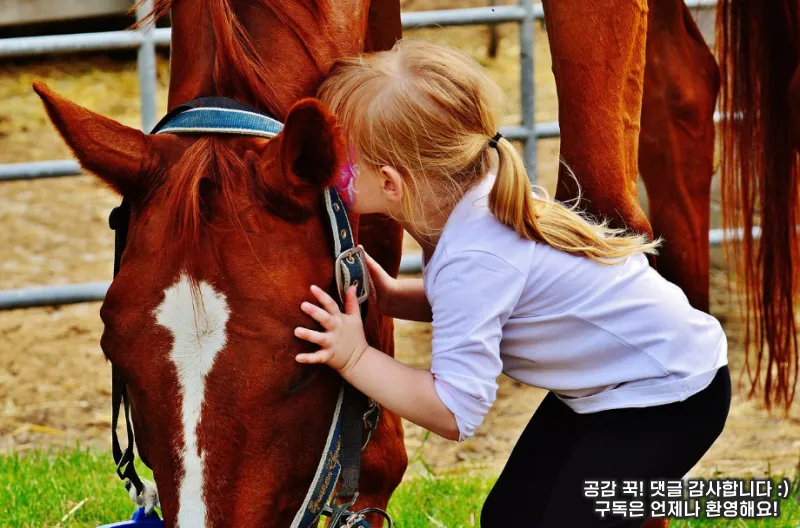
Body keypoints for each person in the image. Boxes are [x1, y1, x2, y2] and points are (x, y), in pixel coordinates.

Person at [293, 39, 731, 527]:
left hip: (670, 395)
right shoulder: (475, 202)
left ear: (392, 183)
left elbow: (454, 410)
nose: (326, 175)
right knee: (509, 517)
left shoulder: (475, 254)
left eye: (336, 163)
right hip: (624, 384)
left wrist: (354, 357)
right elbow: (490, 303)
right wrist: (395, 298)